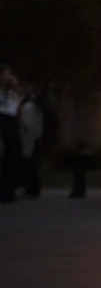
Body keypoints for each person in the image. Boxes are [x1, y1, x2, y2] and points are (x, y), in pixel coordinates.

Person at [17, 83, 43, 199]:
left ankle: (31, 189)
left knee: (29, 165)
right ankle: (32, 188)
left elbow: (26, 124)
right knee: (30, 165)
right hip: (33, 138)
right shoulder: (34, 108)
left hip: (28, 139)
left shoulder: (28, 108)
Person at [0, 65, 21, 204]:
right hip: (2, 118)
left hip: (11, 121)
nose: (8, 77)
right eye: (5, 74)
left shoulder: (12, 93)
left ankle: (8, 190)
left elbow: (16, 105)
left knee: (11, 156)